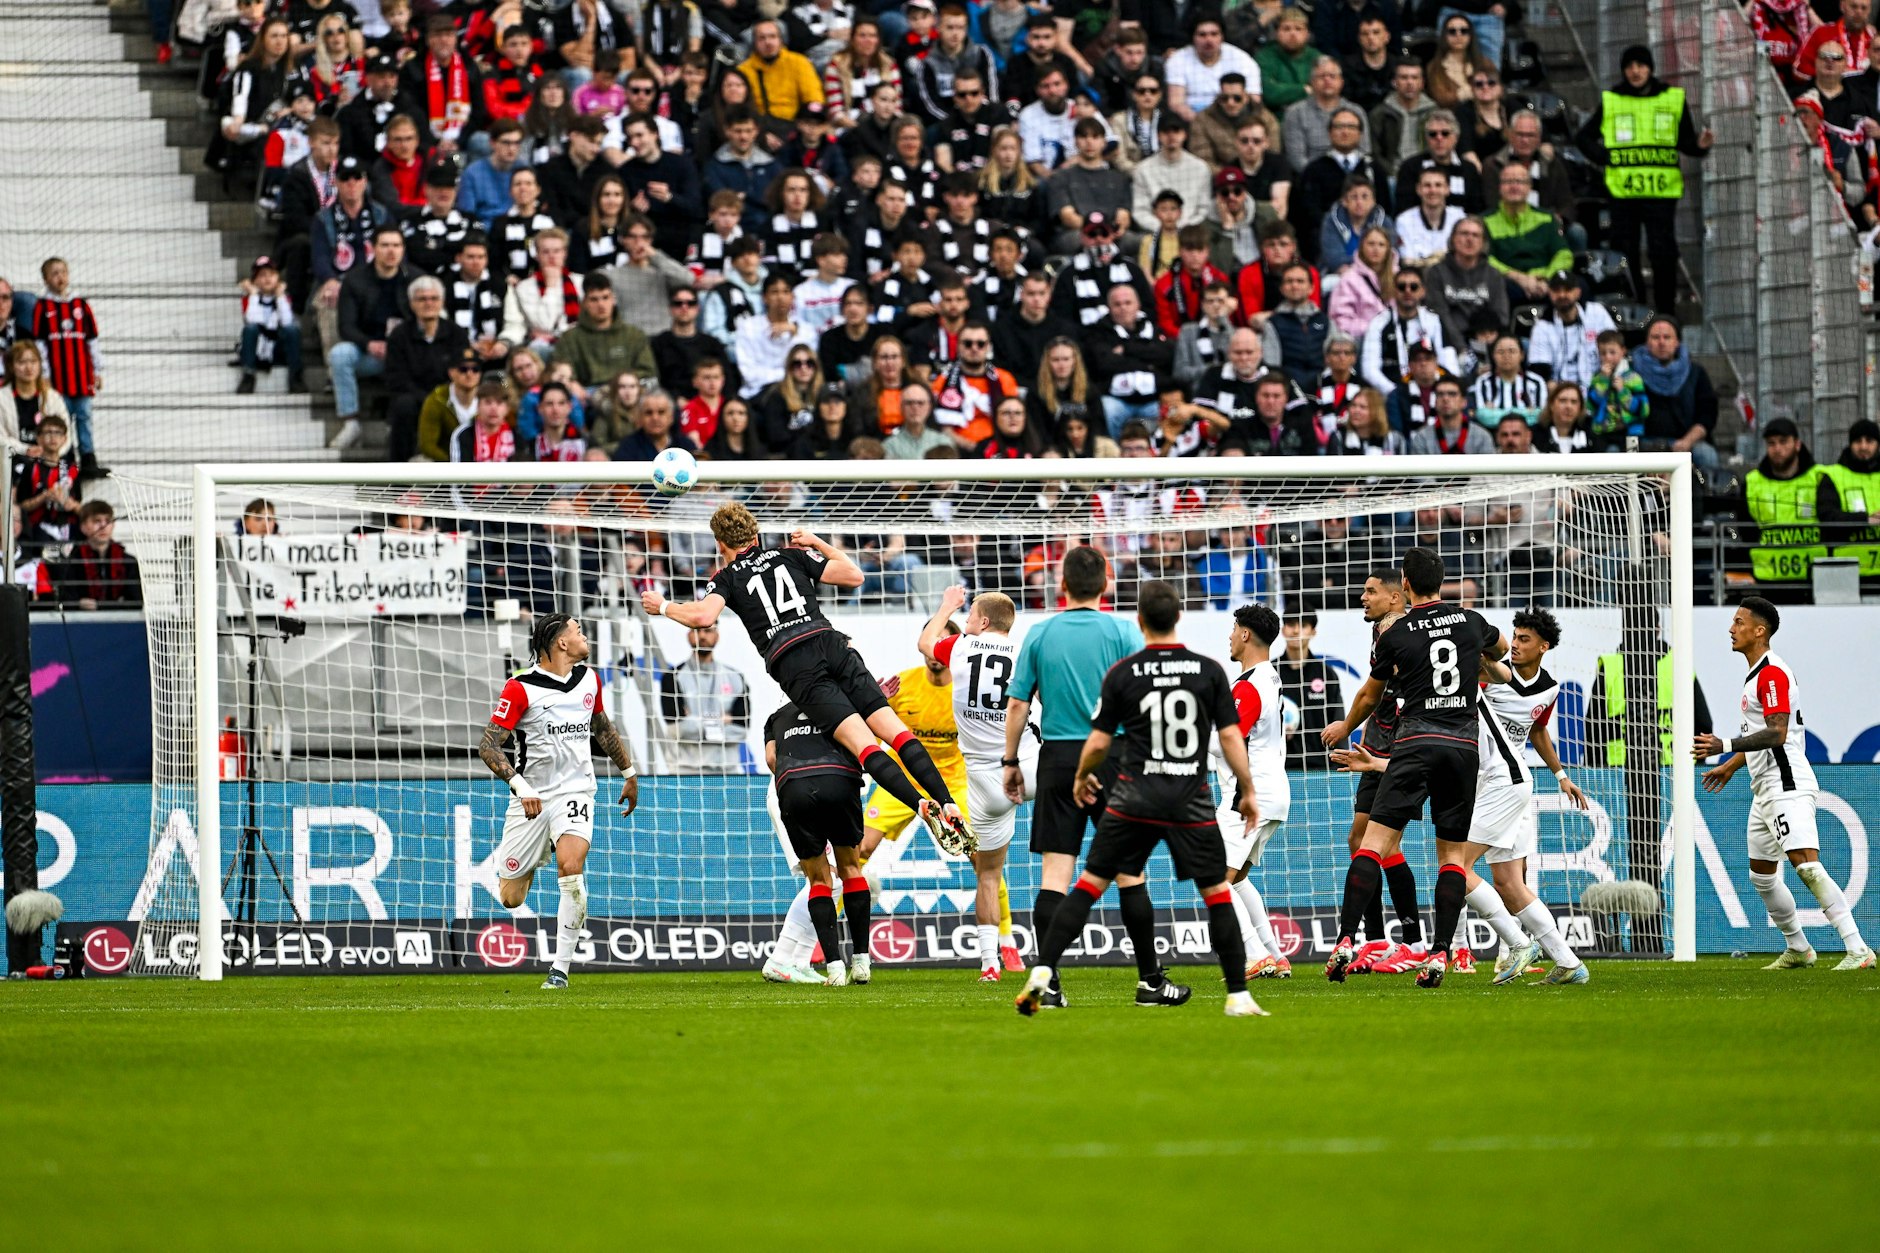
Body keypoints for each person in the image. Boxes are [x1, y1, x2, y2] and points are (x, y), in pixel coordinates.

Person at [642, 504, 970, 848]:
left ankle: (920, 805)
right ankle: (947, 801)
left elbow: (703, 616)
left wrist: (662, 606)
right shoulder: (789, 556)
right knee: (896, 732)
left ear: (720, 544)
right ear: (756, 536)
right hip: (831, 643)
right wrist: (817, 541)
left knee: (864, 746)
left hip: (795, 662)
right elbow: (854, 575)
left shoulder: (726, 577)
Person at [1013, 579, 1265, 1019]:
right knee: (1215, 893)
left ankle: (1043, 974)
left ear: (1142, 621)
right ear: (1179, 617)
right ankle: (1232, 994)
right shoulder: (1207, 670)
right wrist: (1247, 788)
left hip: (1131, 792)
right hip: (1189, 795)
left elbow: (1096, 740)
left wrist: (1081, 775)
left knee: (1084, 883)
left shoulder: (1124, 673)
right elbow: (1228, 736)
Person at [1322, 546, 1509, 987]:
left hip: (1414, 742)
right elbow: (1500, 650)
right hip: (1462, 748)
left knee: (1371, 844)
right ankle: (1441, 953)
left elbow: (1370, 696)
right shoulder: (1470, 620)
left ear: (1404, 585)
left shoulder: (1396, 635)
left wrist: (1347, 724)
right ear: (1442, 581)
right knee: (1451, 858)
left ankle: (1346, 940)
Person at [998, 544, 1157, 1008]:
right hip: (1117, 753)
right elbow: (1144, 701)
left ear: (1061, 585)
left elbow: (1017, 704)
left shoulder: (1041, 633)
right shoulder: (1124, 631)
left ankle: (1047, 984)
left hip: (1060, 757)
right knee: (1130, 871)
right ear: (1106, 584)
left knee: (1054, 875)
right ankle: (1149, 980)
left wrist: (1010, 763)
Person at [1694, 598, 1874, 970]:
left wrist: (1724, 744)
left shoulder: (1772, 673)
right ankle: (1799, 948)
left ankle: (1858, 948)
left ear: (1760, 631)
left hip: (1785, 783)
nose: (1732, 628)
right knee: (1761, 874)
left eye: (1739, 622)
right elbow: (1763, 732)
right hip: (1764, 788)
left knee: (1806, 866)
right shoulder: (1757, 674)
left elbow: (1777, 733)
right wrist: (1732, 764)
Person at [480, 614, 638, 989]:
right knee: (511, 899)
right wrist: (520, 786)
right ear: (561, 643)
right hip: (531, 797)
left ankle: (559, 970)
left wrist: (628, 773)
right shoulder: (520, 688)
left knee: (571, 866)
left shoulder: (589, 679)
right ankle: (537, 852)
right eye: (578, 631)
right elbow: (488, 745)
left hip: (576, 791)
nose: (584, 636)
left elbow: (601, 726)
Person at [1577, 44, 1714, 314]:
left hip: (1661, 191)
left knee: (1662, 251)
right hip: (1623, 191)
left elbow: (1685, 142)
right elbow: (1583, 137)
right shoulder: (1613, 99)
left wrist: (1701, 145)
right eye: (1629, 66)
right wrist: (1605, 157)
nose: (1635, 71)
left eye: (1640, 65)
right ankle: (1634, 306)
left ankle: (1665, 311)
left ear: (1650, 68)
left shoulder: (1673, 99)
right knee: (1625, 249)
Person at [760, 700, 873, 986]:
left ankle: (800, 961)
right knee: (831, 877)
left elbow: (772, 760)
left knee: (826, 881)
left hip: (791, 788)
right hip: (825, 785)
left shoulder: (777, 716)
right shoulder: (839, 707)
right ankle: (781, 958)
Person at [1216, 603, 1293, 980]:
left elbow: (1228, 740)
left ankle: (1253, 954)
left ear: (1246, 634)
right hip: (1274, 792)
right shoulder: (1268, 678)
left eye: (1233, 630)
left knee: (1215, 876)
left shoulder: (1248, 687)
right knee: (1238, 877)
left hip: (1249, 796)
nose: (1229, 637)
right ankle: (1275, 955)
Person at [328, 225, 418, 451]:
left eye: (396, 245)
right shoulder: (355, 280)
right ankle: (351, 423)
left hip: (405, 353)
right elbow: (345, 327)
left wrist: (398, 345)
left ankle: (398, 425)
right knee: (340, 354)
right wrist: (368, 344)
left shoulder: (416, 279)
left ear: (403, 249)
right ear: (372, 248)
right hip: (369, 352)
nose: (391, 251)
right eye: (385, 245)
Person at [31, 257, 104, 479]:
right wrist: (45, 375)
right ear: (45, 279)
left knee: (84, 416)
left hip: (82, 378)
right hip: (59, 380)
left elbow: (92, 340)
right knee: (63, 418)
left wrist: (97, 370)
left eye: (63, 272)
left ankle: (88, 457)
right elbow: (40, 345)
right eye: (54, 273)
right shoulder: (43, 307)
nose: (60, 277)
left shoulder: (81, 305)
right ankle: (67, 460)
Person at [658, 622, 751, 772]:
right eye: (697, 630)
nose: (702, 636)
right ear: (689, 635)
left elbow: (742, 730)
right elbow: (676, 729)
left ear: (717, 635)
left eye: (708, 630)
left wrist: (695, 720)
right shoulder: (672, 677)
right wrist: (721, 721)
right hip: (686, 769)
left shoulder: (735, 677)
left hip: (727, 770)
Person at [1629, 316, 1719, 468]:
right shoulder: (1631, 374)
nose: (1661, 342)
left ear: (1677, 342)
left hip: (1685, 443)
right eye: (1656, 337)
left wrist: (1687, 442)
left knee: (1706, 455)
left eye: (1667, 337)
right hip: (1644, 443)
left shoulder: (1696, 373)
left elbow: (1708, 414)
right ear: (1647, 342)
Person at [1484, 165, 1572, 304]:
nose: (1514, 186)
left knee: (1580, 286)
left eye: (1520, 181)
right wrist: (1519, 278)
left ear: (1529, 187)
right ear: (1500, 187)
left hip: (1545, 280)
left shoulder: (1547, 218)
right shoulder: (1484, 221)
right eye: (1508, 182)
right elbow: (1487, 260)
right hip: (1508, 282)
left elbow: (1563, 255)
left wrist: (1546, 278)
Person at [551, 273, 656, 387]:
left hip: (625, 391)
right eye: (594, 299)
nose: (601, 304)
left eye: (605, 297)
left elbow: (648, 370)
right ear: (584, 302)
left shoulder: (634, 335)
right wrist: (573, 383)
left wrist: (623, 382)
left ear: (613, 299)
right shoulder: (569, 338)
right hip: (586, 395)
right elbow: (561, 371)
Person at [1526, 270, 1615, 389]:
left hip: (1598, 389)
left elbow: (1615, 350)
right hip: (1560, 395)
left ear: (1578, 292)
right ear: (1550, 293)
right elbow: (1539, 372)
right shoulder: (1542, 327)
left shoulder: (1597, 313)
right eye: (1556, 290)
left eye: (1567, 290)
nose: (1562, 295)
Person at [1165, 15, 1261, 123]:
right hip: (1191, 122)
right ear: (1193, 37)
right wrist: (1203, 124)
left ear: (1222, 36)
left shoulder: (1243, 60)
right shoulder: (1178, 59)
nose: (1208, 40)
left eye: (1214, 34)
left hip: (1234, 121)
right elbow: (1176, 103)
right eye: (1202, 35)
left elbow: (1254, 101)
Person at [52, 500, 142, 610]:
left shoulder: (128, 561)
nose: (103, 526)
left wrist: (99, 606)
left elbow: (136, 601)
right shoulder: (73, 560)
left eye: (108, 521)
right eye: (96, 521)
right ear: (83, 527)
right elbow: (66, 599)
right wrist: (79, 604)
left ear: (113, 525)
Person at [236, 257, 305, 394]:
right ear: (254, 280)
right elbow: (253, 320)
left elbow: (286, 321)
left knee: (292, 329)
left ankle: (295, 376)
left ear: (278, 278)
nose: (267, 279)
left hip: (277, 349)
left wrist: (279, 296)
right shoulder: (249, 299)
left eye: (271, 275)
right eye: (262, 275)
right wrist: (254, 294)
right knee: (250, 329)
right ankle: (248, 375)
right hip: (257, 349)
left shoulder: (283, 298)